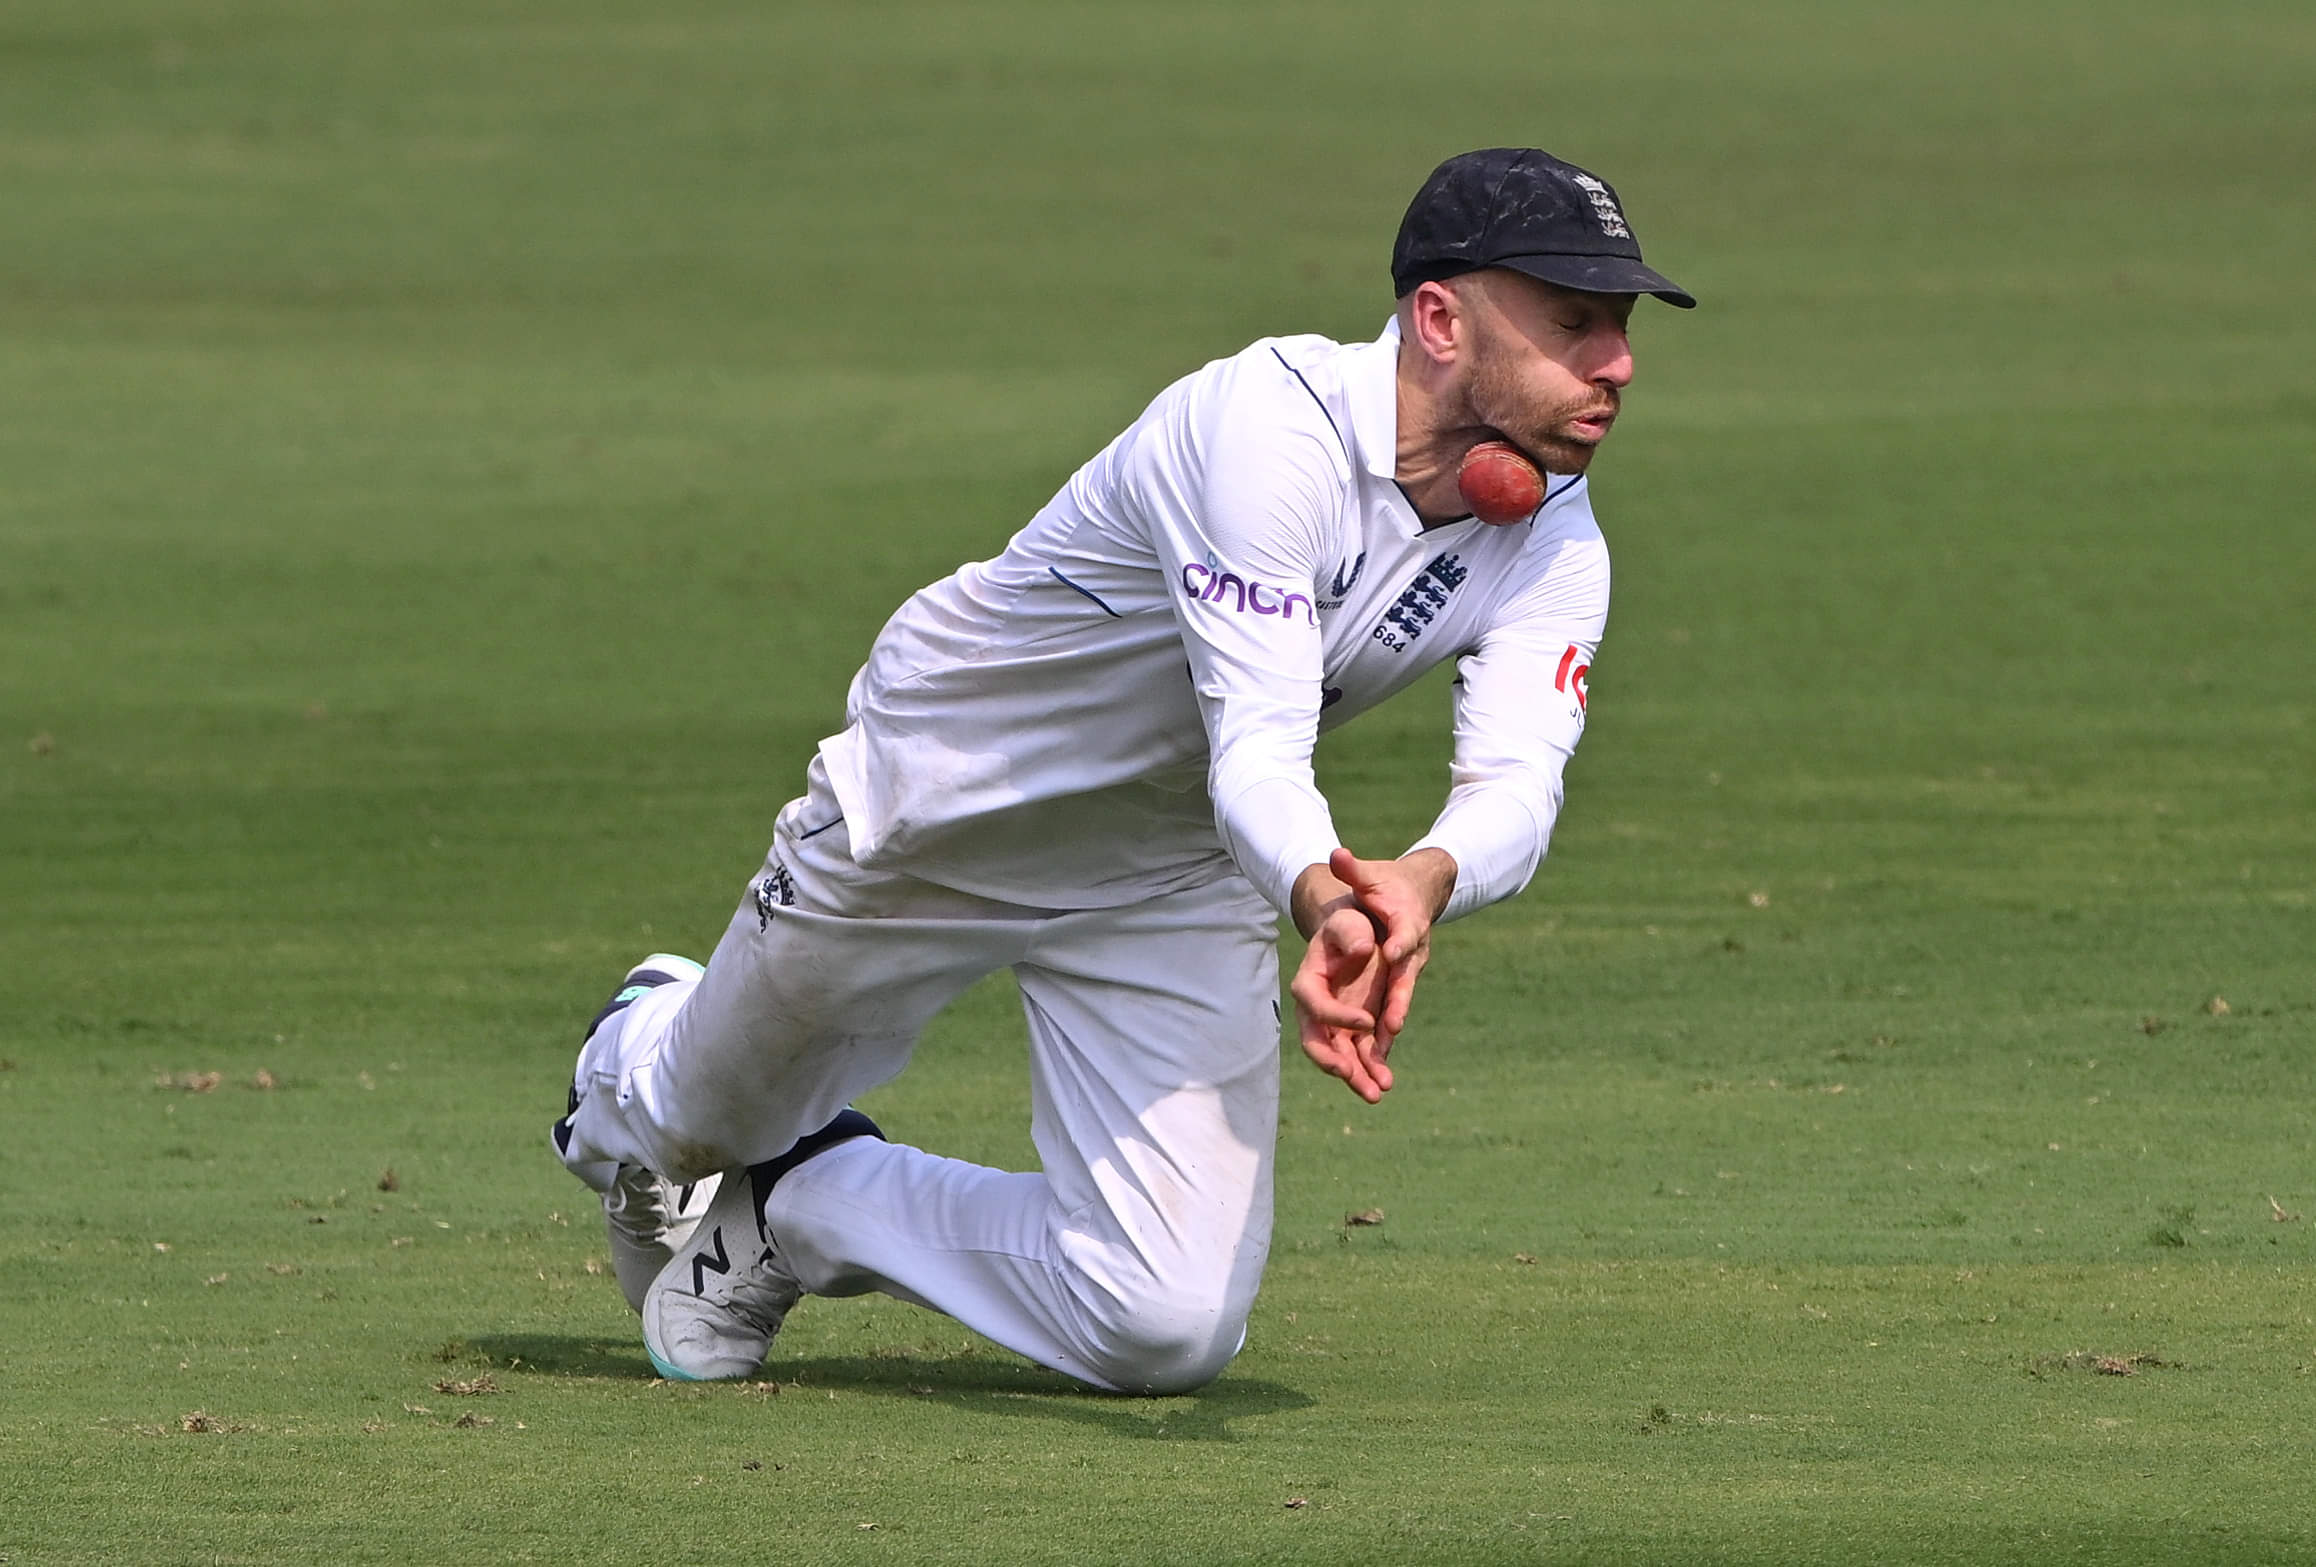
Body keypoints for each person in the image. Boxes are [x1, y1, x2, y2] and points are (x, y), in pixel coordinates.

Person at [550, 147, 1693, 1393]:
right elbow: (1257, 744)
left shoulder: (1558, 541)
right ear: (1437, 318)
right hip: (948, 803)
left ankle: (800, 1207)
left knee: (1164, 1323)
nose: (1616, 364)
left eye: (1621, 328)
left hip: (1166, 871)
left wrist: (1417, 884)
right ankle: (641, 1027)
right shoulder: (1266, 431)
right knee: (686, 1126)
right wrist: (1321, 894)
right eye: (1574, 324)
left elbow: (1519, 784)